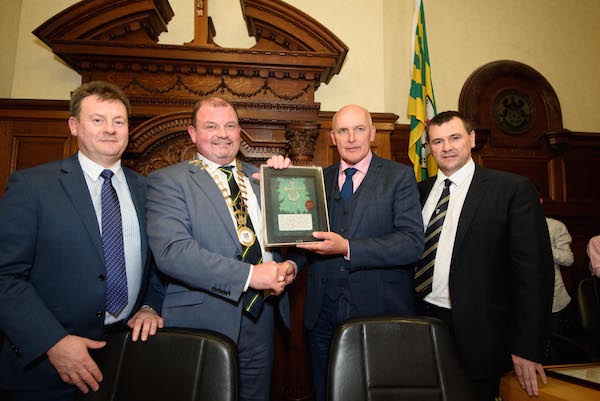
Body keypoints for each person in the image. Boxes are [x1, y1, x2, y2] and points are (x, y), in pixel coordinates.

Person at [0, 81, 164, 401]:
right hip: (45, 368)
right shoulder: (33, 186)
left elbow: (159, 263)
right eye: (97, 119)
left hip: (125, 358)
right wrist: (53, 342)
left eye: (119, 121)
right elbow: (5, 275)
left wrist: (149, 305)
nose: (110, 129)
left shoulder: (148, 190)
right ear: (74, 126)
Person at [146, 97, 295, 401]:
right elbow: (173, 253)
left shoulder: (262, 178)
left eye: (230, 125)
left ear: (240, 132)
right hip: (202, 320)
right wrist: (251, 276)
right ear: (192, 133)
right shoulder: (168, 181)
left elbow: (296, 238)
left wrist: (290, 265)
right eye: (211, 126)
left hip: (261, 318)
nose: (223, 134)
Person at [415, 110, 553, 400]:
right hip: (421, 324)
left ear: (472, 139)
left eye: (455, 138)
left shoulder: (512, 190)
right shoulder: (418, 192)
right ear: (429, 147)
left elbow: (534, 274)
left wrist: (528, 346)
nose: (446, 147)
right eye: (437, 141)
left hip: (481, 335)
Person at [290, 104, 424, 401]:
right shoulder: (317, 180)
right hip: (322, 316)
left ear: (373, 133)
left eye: (359, 129)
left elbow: (412, 243)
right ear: (333, 138)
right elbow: (303, 238)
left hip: (378, 313)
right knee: (326, 391)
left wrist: (348, 248)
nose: (351, 138)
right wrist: (290, 264)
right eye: (343, 131)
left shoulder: (399, 177)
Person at [538, 195, 574, 334]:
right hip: (518, 303)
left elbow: (568, 259)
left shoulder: (556, 226)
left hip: (553, 301)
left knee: (553, 348)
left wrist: (545, 248)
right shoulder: (509, 225)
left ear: (540, 201)